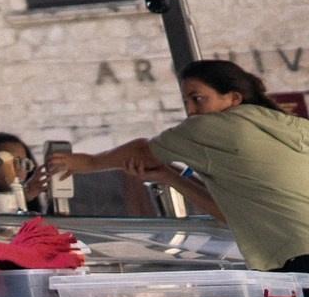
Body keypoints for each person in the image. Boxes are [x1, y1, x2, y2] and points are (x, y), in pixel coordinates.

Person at [44, 58, 309, 270]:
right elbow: (230, 213)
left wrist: (86, 163)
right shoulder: (287, 127)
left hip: (299, 255)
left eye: (198, 99)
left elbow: (142, 150)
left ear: (234, 98)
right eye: (186, 102)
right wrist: (170, 177)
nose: (191, 111)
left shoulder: (215, 127)